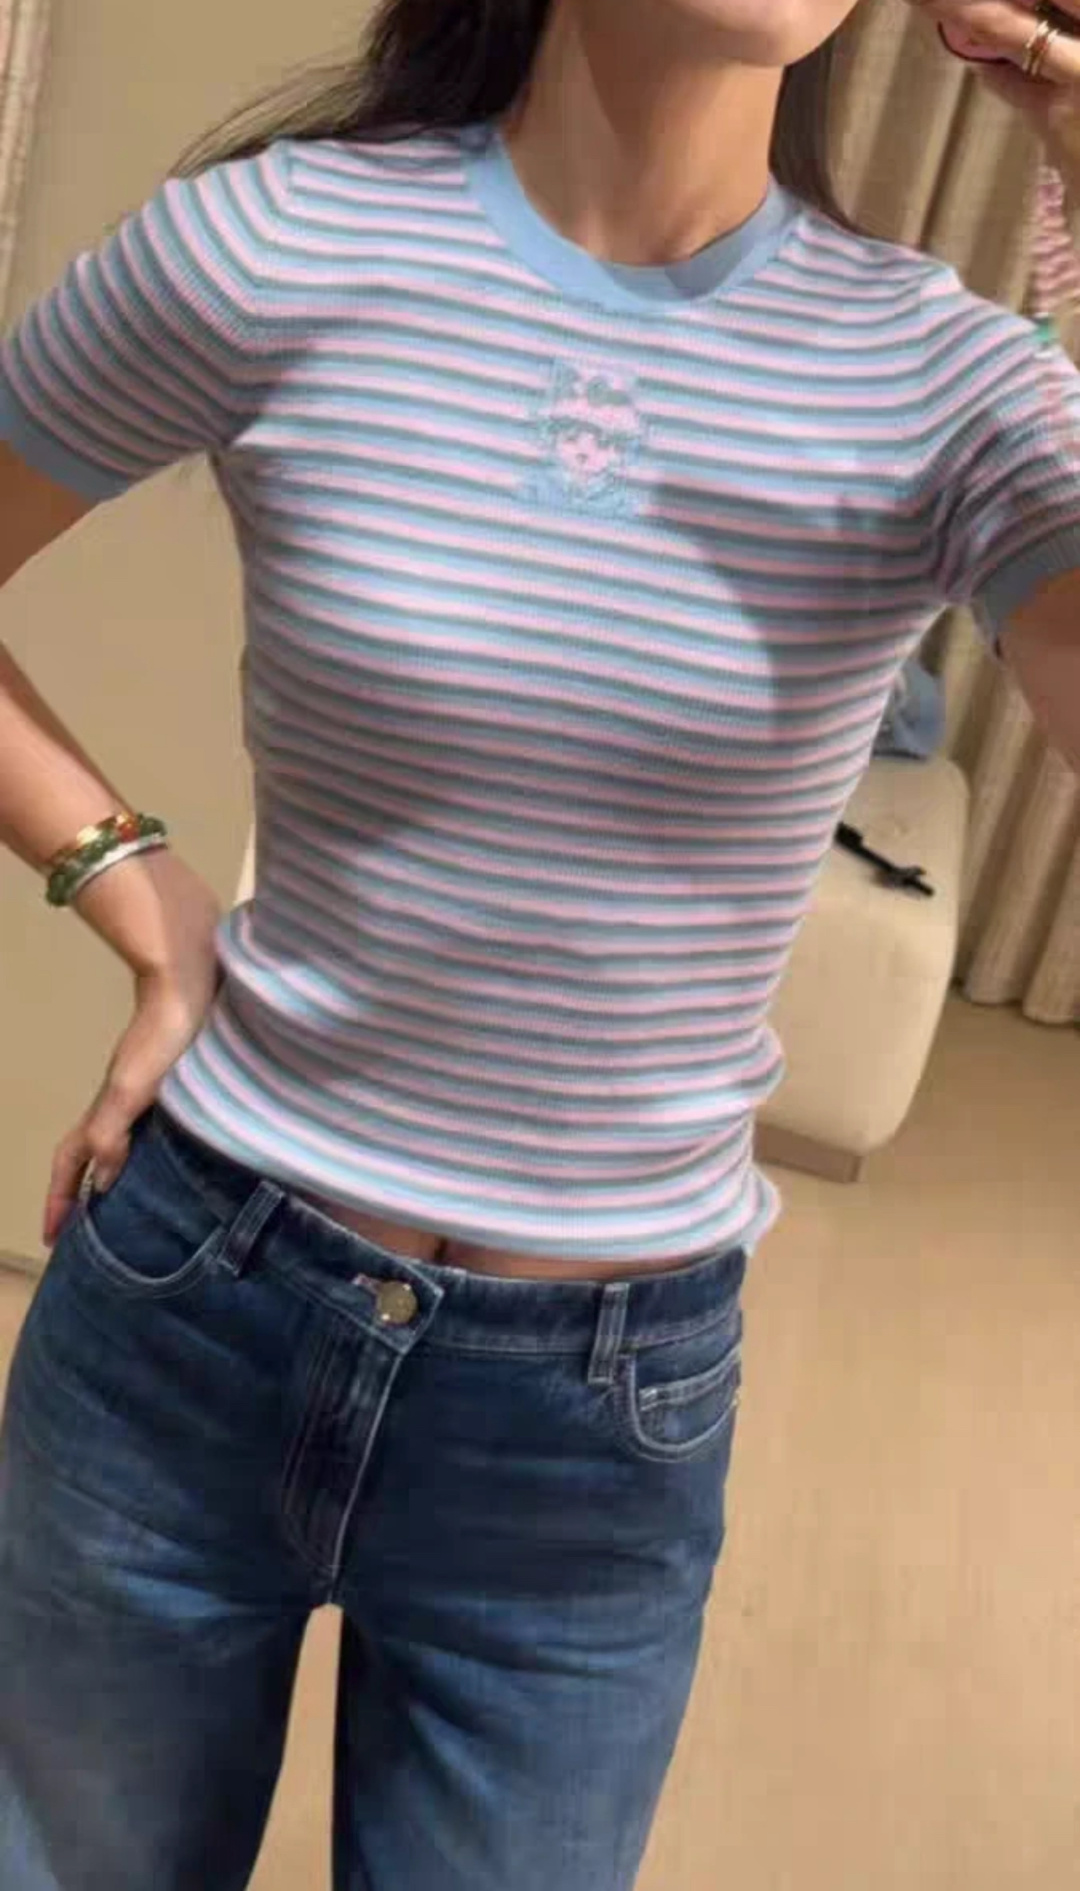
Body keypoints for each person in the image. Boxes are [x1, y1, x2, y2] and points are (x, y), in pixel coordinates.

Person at [0, 1, 1078, 1886]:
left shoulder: (946, 376)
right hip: (193, 1300)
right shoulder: (277, 243)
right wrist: (140, 895)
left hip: (597, 1415)